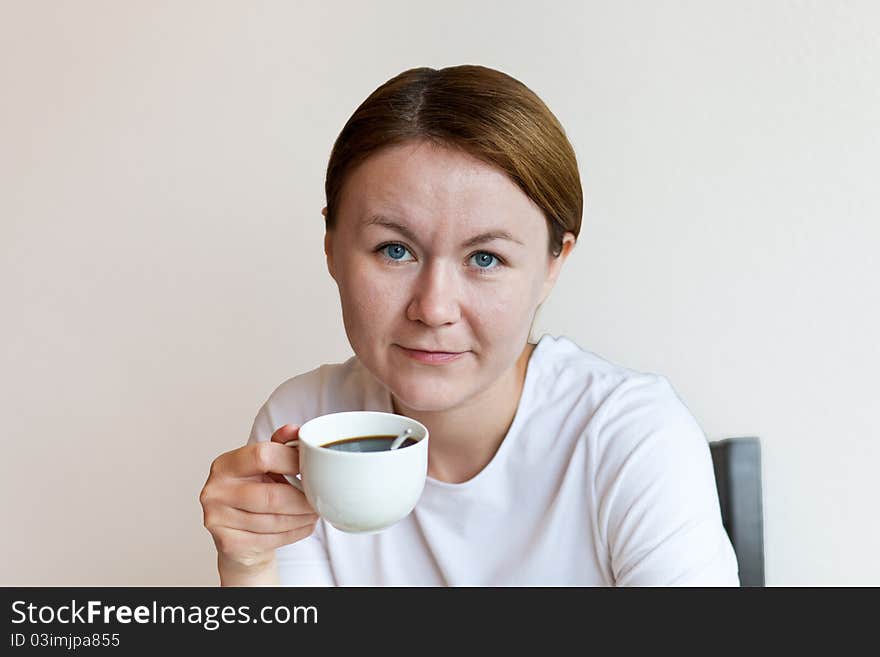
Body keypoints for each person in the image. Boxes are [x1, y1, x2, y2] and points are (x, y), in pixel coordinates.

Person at [199, 64, 740, 586]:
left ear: (553, 264)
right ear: (331, 249)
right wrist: (250, 569)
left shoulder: (631, 437)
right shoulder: (306, 422)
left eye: (484, 258)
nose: (433, 308)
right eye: (394, 250)